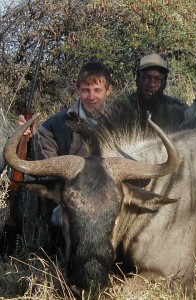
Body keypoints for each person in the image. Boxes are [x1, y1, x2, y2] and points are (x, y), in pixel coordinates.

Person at [1, 60, 113, 256]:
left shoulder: (120, 122)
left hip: (108, 198)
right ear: (77, 89)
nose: (91, 97)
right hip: (69, 198)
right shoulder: (55, 124)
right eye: (86, 90)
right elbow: (46, 167)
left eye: (97, 90)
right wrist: (30, 139)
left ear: (108, 91)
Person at [113, 53, 188, 131]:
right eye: (146, 77)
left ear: (164, 83)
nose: (152, 84)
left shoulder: (178, 109)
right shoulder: (121, 106)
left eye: (158, 79)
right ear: (137, 80)